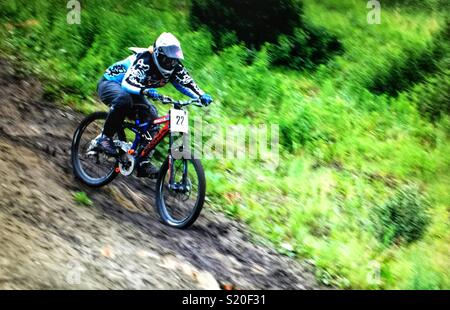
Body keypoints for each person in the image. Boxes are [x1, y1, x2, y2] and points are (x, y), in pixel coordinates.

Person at [96, 32, 212, 177]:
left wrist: (201, 95)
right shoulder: (145, 59)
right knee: (124, 100)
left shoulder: (174, 66)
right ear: (158, 54)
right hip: (111, 84)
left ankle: (143, 162)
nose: (171, 63)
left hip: (134, 92)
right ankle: (105, 138)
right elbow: (127, 83)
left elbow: (187, 83)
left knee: (152, 115)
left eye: (173, 60)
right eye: (167, 59)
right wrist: (146, 90)